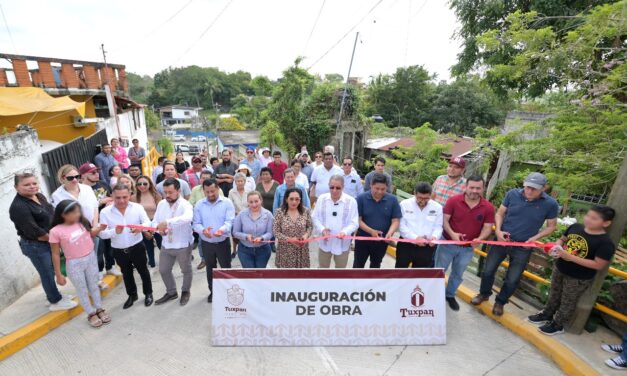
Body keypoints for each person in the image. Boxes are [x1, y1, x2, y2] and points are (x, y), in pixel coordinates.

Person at [473, 172, 559, 316]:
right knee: (488, 270)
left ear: (544, 188)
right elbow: (500, 213)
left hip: (523, 246)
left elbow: (551, 226)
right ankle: (484, 294)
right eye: (527, 187)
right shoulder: (512, 194)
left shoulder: (550, 204)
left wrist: (535, 238)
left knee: (513, 278)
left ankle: (500, 302)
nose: (529, 191)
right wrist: (499, 231)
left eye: (534, 189)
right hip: (502, 240)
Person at [526, 205, 615, 336]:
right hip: (560, 268)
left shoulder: (605, 243)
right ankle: (546, 314)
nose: (588, 219)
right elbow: (562, 239)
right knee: (554, 293)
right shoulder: (576, 227)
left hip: (579, 277)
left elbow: (598, 265)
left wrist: (570, 257)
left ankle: (558, 324)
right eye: (588, 215)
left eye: (594, 218)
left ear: (606, 223)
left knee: (568, 300)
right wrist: (556, 247)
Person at [9, 173, 78, 312]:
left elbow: (51, 213)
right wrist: (58, 240)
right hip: (36, 245)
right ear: (16, 187)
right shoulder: (19, 207)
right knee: (46, 273)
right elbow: (35, 232)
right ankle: (55, 301)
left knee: (50, 271)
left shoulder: (39, 196)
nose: (32, 186)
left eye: (34, 183)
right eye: (26, 185)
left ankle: (54, 295)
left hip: (49, 241)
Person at [434, 176, 495, 311]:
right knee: (439, 270)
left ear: (483, 189)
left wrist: (480, 238)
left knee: (458, 273)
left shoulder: (488, 207)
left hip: (467, 249)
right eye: (471, 187)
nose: (474, 190)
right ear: (466, 187)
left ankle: (450, 295)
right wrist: (452, 234)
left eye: (478, 188)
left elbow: (487, 227)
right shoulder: (453, 201)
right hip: (447, 243)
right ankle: (434, 295)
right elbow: (444, 220)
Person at [49, 200, 111, 327]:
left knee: (93, 285)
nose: (78, 214)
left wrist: (100, 228)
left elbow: (91, 234)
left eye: (78, 211)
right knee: (81, 289)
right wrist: (58, 274)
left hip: (90, 258)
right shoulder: (55, 231)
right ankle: (91, 313)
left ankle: (99, 308)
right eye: (74, 212)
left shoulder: (82, 222)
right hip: (74, 263)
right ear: (63, 214)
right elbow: (55, 253)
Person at [99, 184, 154, 309]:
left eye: (125, 197)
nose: (122, 200)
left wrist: (140, 228)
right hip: (118, 249)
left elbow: (147, 222)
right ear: (112, 196)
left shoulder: (137, 207)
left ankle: (148, 294)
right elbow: (102, 234)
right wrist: (114, 232)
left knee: (143, 271)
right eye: (118, 197)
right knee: (126, 274)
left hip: (137, 246)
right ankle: (132, 295)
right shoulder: (105, 212)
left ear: (130, 195)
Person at [51, 164, 105, 289]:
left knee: (93, 257)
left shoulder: (86, 189)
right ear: (62, 178)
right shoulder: (57, 195)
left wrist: (95, 226)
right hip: (75, 234)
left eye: (77, 176)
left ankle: (95, 281)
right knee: (80, 260)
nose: (75, 180)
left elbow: (95, 207)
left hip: (91, 229)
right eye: (70, 178)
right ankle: (86, 284)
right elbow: (60, 217)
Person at [152, 178, 194, 306]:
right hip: (166, 243)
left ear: (179, 191)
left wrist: (168, 222)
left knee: (185, 270)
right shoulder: (161, 204)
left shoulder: (185, 204)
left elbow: (187, 218)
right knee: (164, 270)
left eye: (170, 192)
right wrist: (158, 230)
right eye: (165, 192)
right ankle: (171, 292)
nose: (167, 195)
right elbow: (155, 221)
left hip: (182, 245)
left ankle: (185, 291)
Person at [193, 179, 235, 303]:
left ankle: (229, 292)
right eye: (207, 192)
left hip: (222, 242)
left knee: (226, 268)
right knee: (210, 269)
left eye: (213, 191)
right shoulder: (199, 205)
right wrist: (203, 230)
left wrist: (222, 230)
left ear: (217, 188)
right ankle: (213, 291)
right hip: (206, 243)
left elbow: (230, 221)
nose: (210, 194)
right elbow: (196, 223)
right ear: (203, 191)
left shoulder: (227, 202)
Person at [79, 163, 120, 279]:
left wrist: (110, 201)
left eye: (97, 171)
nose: (96, 174)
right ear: (83, 175)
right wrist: (100, 202)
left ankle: (110, 266)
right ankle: (99, 269)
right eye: (92, 172)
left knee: (109, 245)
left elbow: (112, 196)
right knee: (98, 248)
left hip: (107, 219)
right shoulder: (81, 190)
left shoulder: (102, 183)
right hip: (91, 223)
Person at [354, 173, 402, 268]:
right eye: (377, 188)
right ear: (371, 185)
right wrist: (371, 231)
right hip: (363, 239)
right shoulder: (361, 198)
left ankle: (373, 282)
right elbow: (358, 220)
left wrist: (390, 233)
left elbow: (396, 220)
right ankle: (355, 283)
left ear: (387, 187)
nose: (380, 192)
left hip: (382, 241)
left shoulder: (392, 200)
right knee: (358, 265)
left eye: (383, 189)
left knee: (376, 265)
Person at [312, 175, 359, 268]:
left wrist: (344, 232)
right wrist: (322, 229)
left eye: (338, 188)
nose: (334, 190)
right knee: (322, 270)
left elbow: (355, 222)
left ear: (343, 187)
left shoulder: (351, 201)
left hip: (343, 244)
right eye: (332, 187)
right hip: (324, 242)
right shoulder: (322, 199)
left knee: (340, 272)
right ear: (328, 185)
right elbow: (314, 217)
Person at [397, 182, 443, 268]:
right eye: (419, 198)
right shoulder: (405, 204)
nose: (422, 201)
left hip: (427, 247)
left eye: (426, 198)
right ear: (415, 193)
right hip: (406, 245)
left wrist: (435, 237)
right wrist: (415, 238)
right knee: (400, 271)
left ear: (431, 195)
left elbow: (438, 226)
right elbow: (401, 225)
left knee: (419, 275)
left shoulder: (437, 207)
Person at [232, 191, 274, 268]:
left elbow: (270, 233)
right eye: (251, 202)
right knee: (249, 274)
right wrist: (245, 236)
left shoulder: (268, 214)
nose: (254, 204)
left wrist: (262, 238)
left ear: (261, 200)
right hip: (245, 250)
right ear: (247, 202)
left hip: (263, 250)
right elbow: (235, 232)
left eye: (256, 201)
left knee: (260, 274)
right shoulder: (241, 214)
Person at [273, 188, 313, 268]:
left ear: (300, 200)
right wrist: (290, 239)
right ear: (286, 199)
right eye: (291, 199)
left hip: (301, 249)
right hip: (285, 250)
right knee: (286, 277)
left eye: (297, 199)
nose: (294, 202)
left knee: (301, 276)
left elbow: (310, 226)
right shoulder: (279, 212)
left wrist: (305, 235)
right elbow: (275, 231)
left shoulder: (306, 211)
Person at [132, 176, 163, 268]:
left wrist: (154, 227)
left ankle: (166, 261)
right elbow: (134, 216)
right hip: (142, 225)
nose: (142, 186)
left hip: (156, 223)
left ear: (149, 184)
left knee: (161, 244)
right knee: (148, 247)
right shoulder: (133, 198)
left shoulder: (156, 195)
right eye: (139, 184)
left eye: (145, 183)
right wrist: (144, 230)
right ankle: (152, 262)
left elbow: (160, 211)